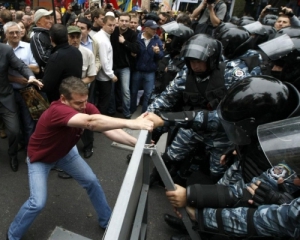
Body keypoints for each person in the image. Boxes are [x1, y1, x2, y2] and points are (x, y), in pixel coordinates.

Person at [7, 77, 154, 240]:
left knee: (91, 181)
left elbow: (108, 129)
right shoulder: (57, 110)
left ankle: (107, 221)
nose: (84, 107)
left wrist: (139, 143)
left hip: (65, 153)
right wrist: (133, 123)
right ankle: (12, 235)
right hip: (41, 158)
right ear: (63, 99)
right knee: (37, 202)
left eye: (85, 101)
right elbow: (91, 123)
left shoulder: (84, 107)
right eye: (78, 103)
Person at [163, 76, 300, 239]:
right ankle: (195, 227)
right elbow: (221, 121)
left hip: (258, 190)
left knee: (235, 213)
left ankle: (202, 226)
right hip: (246, 164)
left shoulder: (292, 151)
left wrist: (192, 198)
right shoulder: (274, 122)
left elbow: (244, 195)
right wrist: (163, 118)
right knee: (222, 187)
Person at [147, 33, 262, 187]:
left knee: (217, 170)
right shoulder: (185, 75)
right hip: (192, 127)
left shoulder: (231, 73)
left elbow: (246, 105)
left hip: (221, 133)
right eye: (191, 61)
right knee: (172, 155)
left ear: (212, 59)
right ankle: (157, 177)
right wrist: (147, 116)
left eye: (199, 61)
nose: (195, 65)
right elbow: (166, 98)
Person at [0, 42, 38, 172]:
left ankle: (13, 155)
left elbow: (20, 65)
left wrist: (30, 76)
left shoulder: (5, 49)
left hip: (5, 97)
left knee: (14, 130)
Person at [5, 21, 41, 151]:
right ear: (6, 35)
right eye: (11, 33)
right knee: (14, 124)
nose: (15, 35)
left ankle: (29, 150)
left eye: (17, 32)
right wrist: (16, 78)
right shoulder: (3, 50)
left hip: (27, 90)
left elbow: (36, 69)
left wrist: (19, 65)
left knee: (29, 122)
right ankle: (19, 144)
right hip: (9, 92)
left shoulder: (28, 46)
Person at [67, 25, 97, 159]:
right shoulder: (62, 53)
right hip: (67, 95)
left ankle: (88, 145)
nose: (75, 40)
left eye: (77, 37)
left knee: (86, 119)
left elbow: (91, 76)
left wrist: (77, 86)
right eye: (71, 37)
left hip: (82, 93)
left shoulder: (87, 53)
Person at [109, 12, 139, 119]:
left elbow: (136, 49)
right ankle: (112, 110)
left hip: (124, 67)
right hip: (111, 66)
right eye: (122, 20)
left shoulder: (132, 34)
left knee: (125, 90)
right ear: (118, 21)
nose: (124, 23)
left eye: (127, 21)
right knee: (111, 90)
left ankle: (126, 112)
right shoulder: (113, 31)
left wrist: (124, 42)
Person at [130, 20, 164, 114]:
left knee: (148, 94)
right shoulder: (137, 38)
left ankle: (145, 113)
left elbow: (161, 56)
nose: (155, 31)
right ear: (146, 29)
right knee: (133, 91)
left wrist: (157, 52)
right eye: (153, 29)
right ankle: (132, 109)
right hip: (137, 70)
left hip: (150, 71)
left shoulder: (157, 40)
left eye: (156, 29)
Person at [42, 24, 82, 103]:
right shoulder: (76, 51)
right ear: (67, 37)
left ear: (51, 39)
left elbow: (46, 86)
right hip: (75, 94)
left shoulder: (55, 57)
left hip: (60, 100)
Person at [93, 12, 117, 115]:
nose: (112, 28)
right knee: (104, 102)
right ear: (103, 24)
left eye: (114, 25)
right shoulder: (102, 39)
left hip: (102, 75)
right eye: (109, 25)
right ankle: (100, 121)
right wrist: (111, 75)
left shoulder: (103, 36)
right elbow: (104, 60)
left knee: (101, 100)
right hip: (104, 77)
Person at [30, 9, 53, 78]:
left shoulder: (49, 34)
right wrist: (52, 45)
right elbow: (43, 60)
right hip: (45, 77)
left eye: (50, 18)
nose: (51, 21)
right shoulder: (37, 37)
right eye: (47, 18)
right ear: (39, 21)